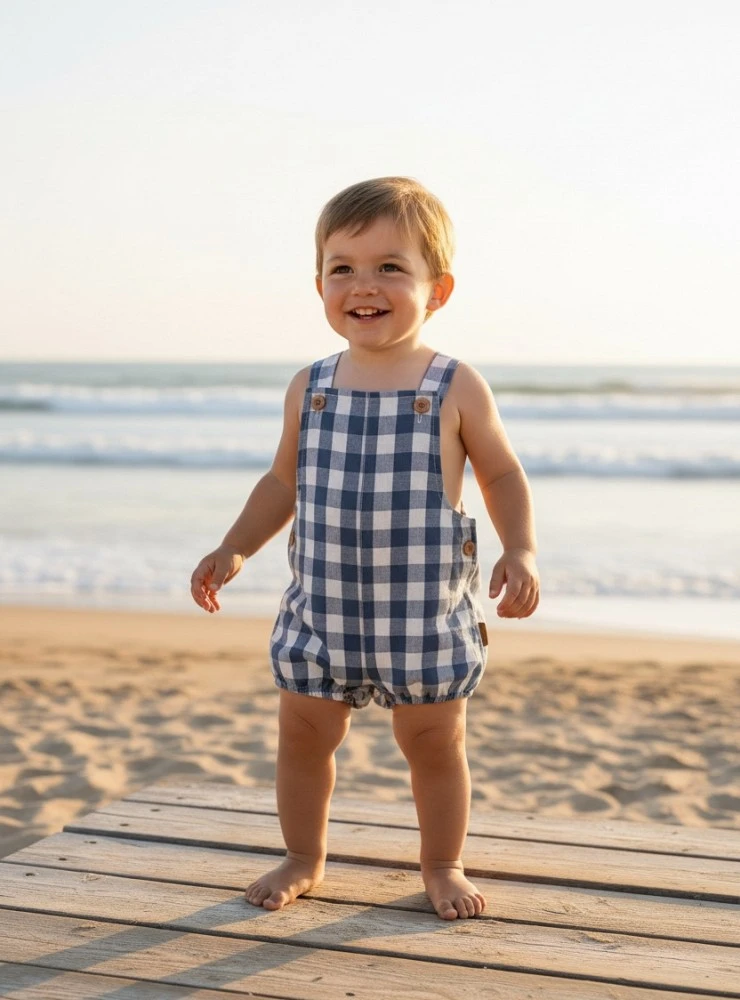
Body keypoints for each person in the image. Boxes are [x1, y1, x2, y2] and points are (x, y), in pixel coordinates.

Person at [190, 176, 540, 921]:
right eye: (342, 267)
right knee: (302, 738)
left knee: (434, 745)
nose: (364, 285)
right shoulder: (310, 385)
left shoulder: (453, 384)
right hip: (324, 613)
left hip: (421, 616)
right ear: (318, 283)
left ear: (437, 290)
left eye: (390, 267)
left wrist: (521, 550)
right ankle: (303, 855)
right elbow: (281, 482)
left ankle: (442, 863)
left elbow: (502, 472)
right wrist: (234, 547)